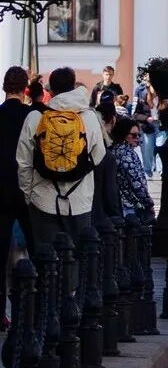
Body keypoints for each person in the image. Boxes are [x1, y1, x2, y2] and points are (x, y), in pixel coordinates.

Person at [17, 67, 106, 247]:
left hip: (43, 199)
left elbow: (23, 162)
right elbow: (99, 156)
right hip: (80, 201)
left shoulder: (36, 117)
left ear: (50, 90)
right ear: (73, 86)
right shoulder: (89, 117)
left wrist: (28, 195)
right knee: (79, 260)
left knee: (45, 262)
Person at [0, 67, 37, 308]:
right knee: (35, 247)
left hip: (1, 191)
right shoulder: (32, 116)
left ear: (4, 87)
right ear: (25, 89)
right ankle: (36, 306)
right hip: (28, 189)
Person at [108, 117, 154, 221]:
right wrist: (149, 203)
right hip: (130, 205)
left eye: (138, 135)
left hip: (120, 203)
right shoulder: (126, 154)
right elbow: (136, 182)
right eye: (133, 135)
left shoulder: (114, 150)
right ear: (123, 134)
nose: (137, 138)